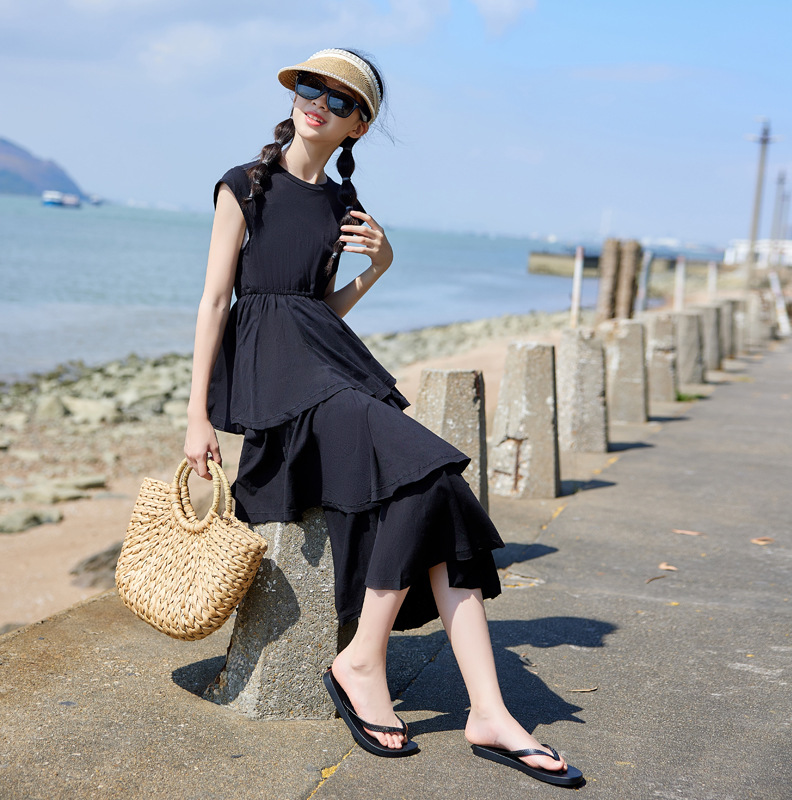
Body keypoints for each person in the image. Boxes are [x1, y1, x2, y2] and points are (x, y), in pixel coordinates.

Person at [184, 48, 581, 787]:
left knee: (439, 489)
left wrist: (377, 269)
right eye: (310, 89)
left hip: (329, 365)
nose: (318, 105)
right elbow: (216, 303)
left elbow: (318, 310)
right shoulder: (243, 186)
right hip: (276, 389)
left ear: (357, 127)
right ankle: (368, 662)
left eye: (339, 101)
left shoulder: (342, 209)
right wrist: (196, 416)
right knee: (429, 468)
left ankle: (485, 708)